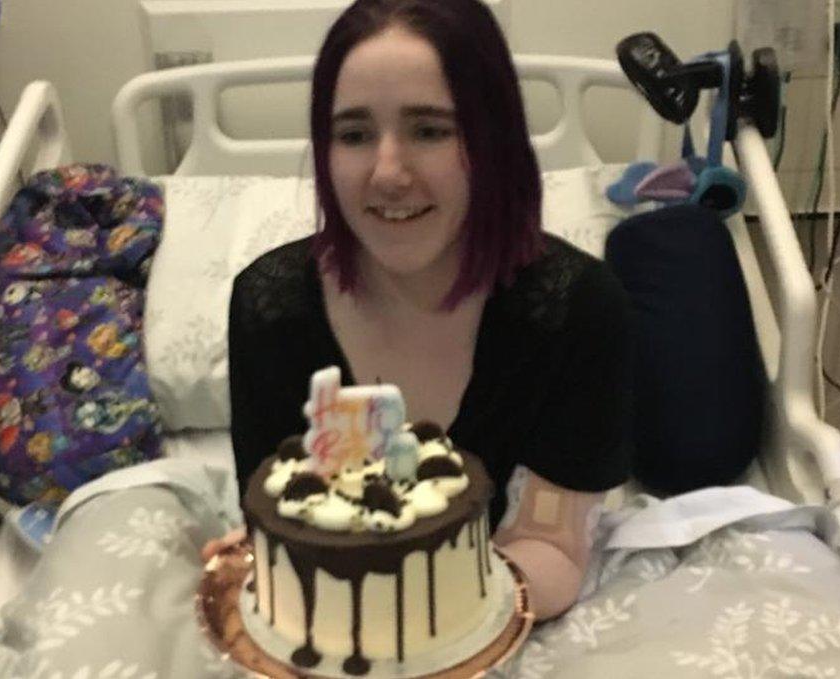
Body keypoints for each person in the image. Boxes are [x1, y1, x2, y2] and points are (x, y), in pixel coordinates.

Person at [208, 0, 632, 622]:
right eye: (353, 135)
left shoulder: (577, 312)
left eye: (430, 130)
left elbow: (552, 546)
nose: (387, 172)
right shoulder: (269, 308)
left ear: (494, 142)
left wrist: (418, 628)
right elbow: (279, 520)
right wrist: (262, 568)